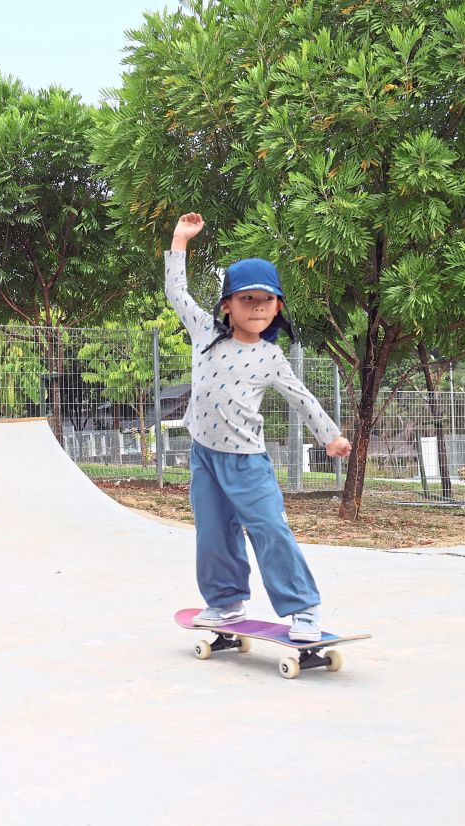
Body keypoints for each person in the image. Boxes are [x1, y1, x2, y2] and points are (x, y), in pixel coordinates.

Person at [166, 212, 353, 641]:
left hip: (248, 462)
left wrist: (331, 436)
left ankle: (303, 610)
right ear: (227, 305)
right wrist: (180, 239)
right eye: (247, 299)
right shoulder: (205, 333)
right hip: (204, 456)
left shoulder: (271, 357)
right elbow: (176, 291)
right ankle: (227, 603)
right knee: (213, 532)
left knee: (269, 529)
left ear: (277, 308)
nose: (257, 308)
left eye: (265, 301)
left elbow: (301, 397)